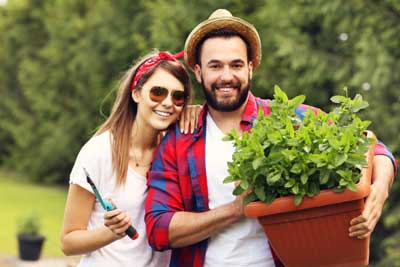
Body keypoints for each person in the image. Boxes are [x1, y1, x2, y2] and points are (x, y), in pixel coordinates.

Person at [144, 9, 398, 267]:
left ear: (251, 68)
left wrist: (380, 189)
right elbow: (160, 228)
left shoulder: (286, 119)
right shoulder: (180, 139)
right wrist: (235, 210)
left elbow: (371, 146)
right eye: (215, 66)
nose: (226, 76)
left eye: (236, 65)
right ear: (198, 72)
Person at [60, 50, 199, 267]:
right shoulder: (98, 152)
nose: (168, 103)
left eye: (178, 97)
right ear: (136, 93)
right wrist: (110, 232)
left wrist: (199, 114)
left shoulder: (176, 153)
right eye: (158, 93)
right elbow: (68, 242)